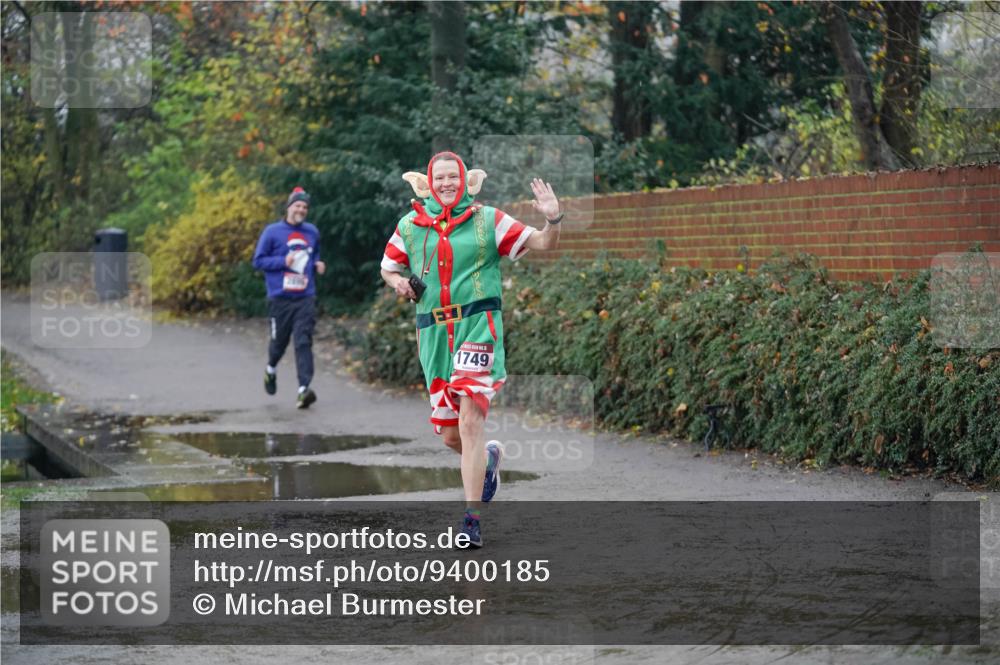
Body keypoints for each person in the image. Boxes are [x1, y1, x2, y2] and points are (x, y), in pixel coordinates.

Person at [380, 152, 562, 547]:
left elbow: (544, 243)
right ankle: (490, 459)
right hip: (433, 334)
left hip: (478, 327)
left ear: (465, 182)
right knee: (449, 436)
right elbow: (388, 266)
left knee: (469, 424)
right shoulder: (410, 226)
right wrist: (397, 283)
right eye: (440, 178)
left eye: (453, 177)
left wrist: (552, 218)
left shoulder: (488, 220)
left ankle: (472, 521)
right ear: (429, 183)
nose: (447, 184)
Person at [253, 187, 326, 409]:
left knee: (303, 341)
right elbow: (258, 261)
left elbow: (313, 256)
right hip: (280, 298)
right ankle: (270, 369)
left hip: (305, 296)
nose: (301, 210)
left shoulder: (312, 232)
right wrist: (283, 262)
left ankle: (304, 389)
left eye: (305, 207)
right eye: (297, 206)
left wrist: (317, 265)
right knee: (279, 343)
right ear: (289, 207)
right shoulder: (272, 232)